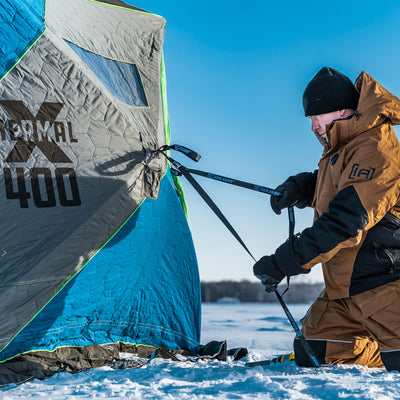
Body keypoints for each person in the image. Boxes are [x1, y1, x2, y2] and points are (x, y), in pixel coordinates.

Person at [253, 66, 400, 371]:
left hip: (385, 286)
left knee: (396, 360)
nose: (313, 127)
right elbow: (335, 185)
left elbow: (345, 223)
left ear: (339, 111)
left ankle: (384, 347)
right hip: (345, 292)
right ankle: (377, 345)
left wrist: (284, 261)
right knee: (314, 350)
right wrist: (302, 188)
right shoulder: (345, 147)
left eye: (315, 118)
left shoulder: (375, 150)